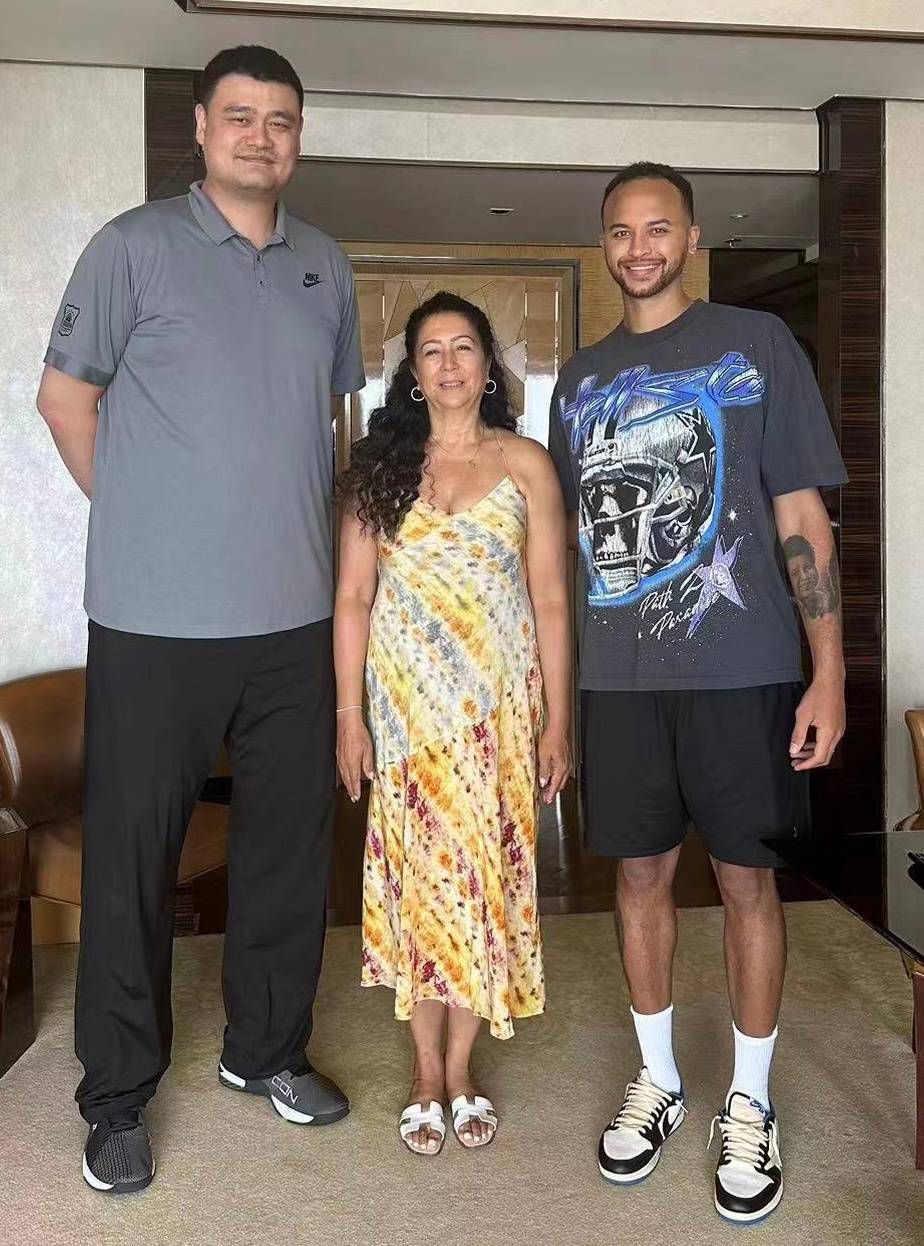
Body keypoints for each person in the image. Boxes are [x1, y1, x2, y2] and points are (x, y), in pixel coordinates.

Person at [36, 45, 365, 1193]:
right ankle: (116, 1096)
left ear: (298, 135)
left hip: (292, 622)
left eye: (281, 119)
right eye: (240, 117)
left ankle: (265, 1051)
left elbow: (329, 435)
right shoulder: (132, 248)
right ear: (201, 128)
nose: (260, 136)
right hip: (153, 621)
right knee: (132, 861)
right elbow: (64, 397)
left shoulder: (326, 266)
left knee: (287, 854)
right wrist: (140, 516)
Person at [547, 162, 847, 1224]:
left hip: (746, 671)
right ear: (605, 243)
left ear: (691, 235)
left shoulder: (757, 348)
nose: (639, 247)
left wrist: (829, 667)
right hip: (619, 680)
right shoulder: (577, 383)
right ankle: (662, 1077)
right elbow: (573, 551)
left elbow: (802, 517)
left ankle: (750, 1102)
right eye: (621, 231)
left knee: (746, 883)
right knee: (636, 878)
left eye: (658, 227)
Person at [334, 291, 571, 1155]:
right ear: (413, 373)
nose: (448, 364)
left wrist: (559, 721)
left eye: (463, 347)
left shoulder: (527, 466)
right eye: (430, 351)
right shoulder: (379, 472)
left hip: (499, 718)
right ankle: (423, 1071)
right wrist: (347, 717)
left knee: (481, 881)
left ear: (487, 364)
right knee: (420, 885)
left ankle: (460, 1068)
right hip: (403, 721)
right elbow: (353, 599)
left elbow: (550, 598)